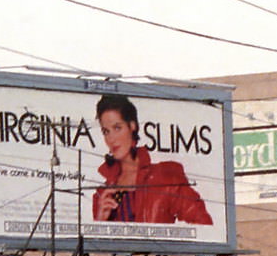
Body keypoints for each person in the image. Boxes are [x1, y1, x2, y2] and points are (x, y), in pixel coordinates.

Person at [91, 94, 213, 226]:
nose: (111, 139)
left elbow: (204, 225)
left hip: (160, 248)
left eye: (117, 128)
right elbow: (97, 245)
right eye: (106, 131)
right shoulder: (102, 195)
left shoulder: (165, 177)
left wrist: (171, 243)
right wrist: (100, 222)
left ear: (132, 126)